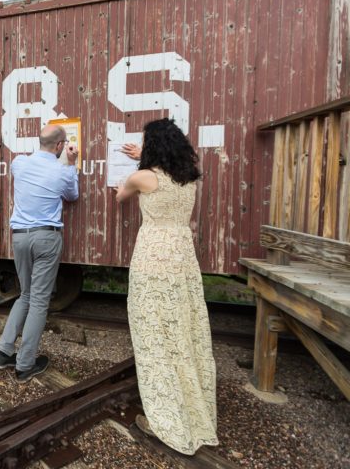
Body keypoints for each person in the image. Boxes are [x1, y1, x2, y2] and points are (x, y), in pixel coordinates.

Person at [115, 118, 219, 455]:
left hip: (152, 258)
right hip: (183, 260)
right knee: (183, 331)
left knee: (153, 335)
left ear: (152, 146)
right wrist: (144, 156)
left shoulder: (142, 177)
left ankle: (168, 416)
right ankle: (193, 405)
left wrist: (136, 163)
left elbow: (120, 196)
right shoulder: (189, 178)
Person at [0, 123, 79, 383]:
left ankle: (4, 353)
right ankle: (25, 365)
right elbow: (72, 196)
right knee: (40, 301)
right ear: (60, 146)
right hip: (46, 237)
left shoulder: (19, 164)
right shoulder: (62, 170)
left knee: (26, 294)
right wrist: (71, 163)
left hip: (20, 237)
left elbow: (29, 169)